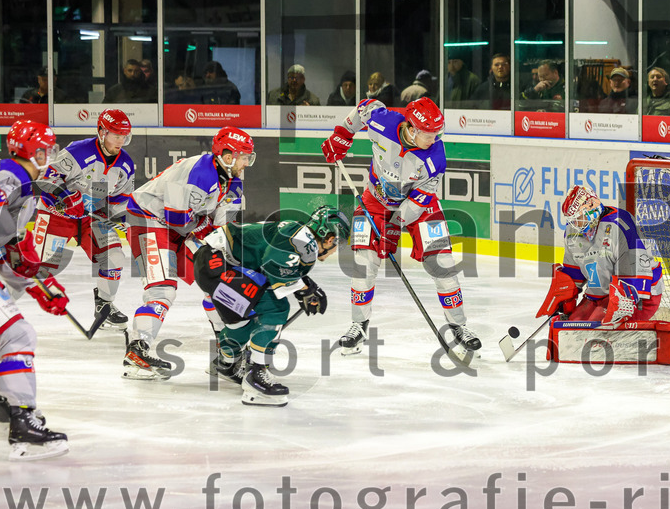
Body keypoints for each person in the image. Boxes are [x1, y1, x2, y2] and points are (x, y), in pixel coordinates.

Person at [320, 97, 482, 355]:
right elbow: (364, 107)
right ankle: (358, 326)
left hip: (419, 208)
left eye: (437, 133)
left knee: (442, 264)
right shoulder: (382, 122)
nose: (434, 139)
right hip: (376, 200)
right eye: (428, 134)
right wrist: (342, 134)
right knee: (364, 263)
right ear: (412, 128)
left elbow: (418, 202)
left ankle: (459, 326)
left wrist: (393, 227)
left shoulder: (436, 157)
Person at [121, 127, 253, 380]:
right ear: (227, 156)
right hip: (148, 221)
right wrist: (207, 228)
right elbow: (177, 220)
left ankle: (227, 355)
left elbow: (223, 229)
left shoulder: (234, 183)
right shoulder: (196, 172)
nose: (247, 163)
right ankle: (137, 352)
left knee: (217, 284)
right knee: (162, 289)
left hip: (181, 229)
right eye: (243, 156)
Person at [196, 206, 349, 406]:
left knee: (247, 320)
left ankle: (227, 362)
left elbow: (275, 264)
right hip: (219, 264)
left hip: (212, 263)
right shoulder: (302, 239)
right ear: (330, 239)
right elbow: (274, 267)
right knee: (275, 308)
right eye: (339, 244)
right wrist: (305, 290)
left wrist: (304, 288)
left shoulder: (298, 234)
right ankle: (256, 374)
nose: (336, 249)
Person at [0, 120, 71, 460]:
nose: (50, 156)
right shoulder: (6, 181)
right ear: (32, 152)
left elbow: (9, 249)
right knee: (16, 335)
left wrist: (40, 284)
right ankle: (22, 421)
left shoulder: (19, 183)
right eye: (45, 150)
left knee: (4, 336)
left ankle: (7, 404)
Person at [32, 108, 135, 332]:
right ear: (102, 132)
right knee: (37, 270)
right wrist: (66, 196)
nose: (121, 141)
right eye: (116, 135)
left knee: (114, 256)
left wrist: (125, 221)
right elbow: (45, 178)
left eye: (124, 136)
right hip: (56, 215)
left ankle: (104, 306)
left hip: (91, 219)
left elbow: (119, 201)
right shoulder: (78, 151)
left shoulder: (126, 165)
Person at [536, 185, 663, 325]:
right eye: (572, 219)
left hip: (640, 296)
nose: (575, 224)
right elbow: (573, 273)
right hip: (601, 295)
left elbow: (635, 274)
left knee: (593, 330)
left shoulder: (619, 225)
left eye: (578, 218)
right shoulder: (573, 231)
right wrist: (564, 299)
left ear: (591, 208)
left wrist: (621, 305)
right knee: (572, 325)